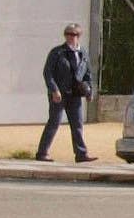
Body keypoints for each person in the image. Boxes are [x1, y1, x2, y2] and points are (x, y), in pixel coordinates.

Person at [37, 22, 95, 162]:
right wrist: (54, 90)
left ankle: (81, 154)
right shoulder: (57, 52)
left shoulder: (83, 53)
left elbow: (88, 74)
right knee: (54, 122)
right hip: (59, 94)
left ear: (78, 36)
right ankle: (42, 153)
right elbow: (48, 73)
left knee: (77, 124)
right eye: (68, 34)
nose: (70, 37)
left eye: (73, 34)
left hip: (75, 94)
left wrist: (89, 91)